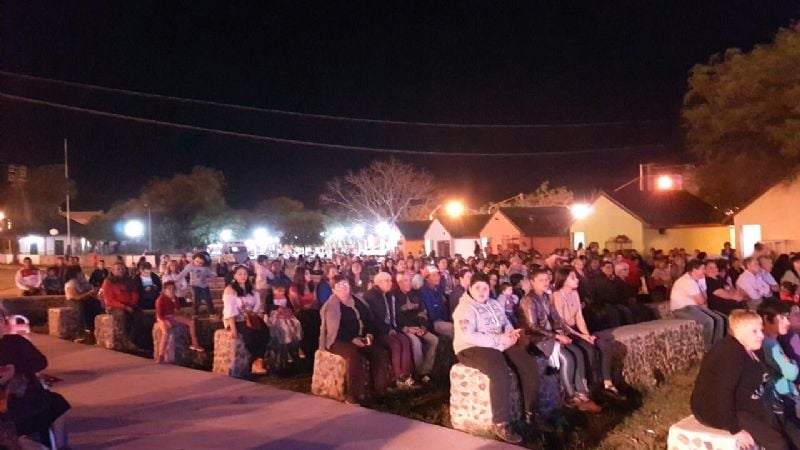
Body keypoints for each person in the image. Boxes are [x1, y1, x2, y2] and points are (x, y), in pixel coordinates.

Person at [453, 273, 545, 443]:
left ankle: (531, 412)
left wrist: (510, 333)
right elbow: (468, 335)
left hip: (499, 343)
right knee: (498, 369)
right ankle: (501, 422)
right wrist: (498, 340)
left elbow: (505, 322)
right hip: (472, 347)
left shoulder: (494, 304)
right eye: (477, 288)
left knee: (528, 363)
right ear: (470, 289)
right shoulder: (465, 308)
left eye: (485, 288)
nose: (481, 291)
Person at [691, 310, 793, 450]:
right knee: (777, 443)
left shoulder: (754, 348)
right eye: (754, 331)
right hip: (716, 409)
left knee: (791, 430)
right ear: (739, 332)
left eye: (761, 330)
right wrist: (735, 429)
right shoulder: (731, 353)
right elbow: (723, 392)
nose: (761, 335)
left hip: (745, 401)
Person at [520, 268, 602, 413]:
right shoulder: (529, 300)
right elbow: (532, 326)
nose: (545, 283)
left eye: (547, 279)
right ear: (532, 282)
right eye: (541, 280)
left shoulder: (545, 297)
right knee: (567, 358)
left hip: (550, 336)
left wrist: (577, 334)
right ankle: (571, 396)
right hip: (537, 340)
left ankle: (582, 393)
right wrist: (556, 336)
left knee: (577, 352)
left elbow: (558, 319)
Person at [0, 309, 70, 447]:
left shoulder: (16, 341)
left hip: (26, 396)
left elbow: (41, 362)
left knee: (57, 404)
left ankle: (62, 446)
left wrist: (16, 369)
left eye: (0, 320)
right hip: (6, 405)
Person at [319, 275, 390, 405]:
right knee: (354, 356)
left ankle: (378, 390)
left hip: (361, 338)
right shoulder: (332, 306)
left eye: (346, 285)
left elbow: (369, 320)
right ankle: (352, 395)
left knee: (379, 353)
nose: (344, 289)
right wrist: (352, 339)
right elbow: (334, 330)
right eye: (339, 286)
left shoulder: (358, 301)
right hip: (339, 340)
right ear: (334, 290)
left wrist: (369, 334)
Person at [552, 267, 621, 398]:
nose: (577, 280)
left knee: (604, 345)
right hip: (564, 332)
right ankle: (585, 388)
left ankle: (608, 382)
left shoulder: (574, 293)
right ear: (563, 280)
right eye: (573, 277)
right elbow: (562, 324)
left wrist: (587, 335)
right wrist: (581, 336)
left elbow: (579, 318)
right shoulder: (557, 296)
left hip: (576, 331)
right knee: (587, 350)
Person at [758, 299, 800, 447]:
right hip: (783, 397)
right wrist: (792, 364)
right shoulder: (771, 344)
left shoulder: (770, 341)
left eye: (787, 317)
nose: (787, 322)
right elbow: (791, 373)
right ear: (766, 318)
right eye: (782, 317)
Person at [365, 272, 416, 388]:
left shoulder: (389, 295)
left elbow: (395, 314)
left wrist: (397, 327)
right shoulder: (371, 296)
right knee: (396, 344)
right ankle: (399, 377)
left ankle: (407, 375)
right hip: (378, 331)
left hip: (391, 328)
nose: (390, 283)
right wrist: (387, 329)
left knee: (405, 340)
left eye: (390, 280)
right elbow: (373, 319)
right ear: (378, 283)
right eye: (387, 281)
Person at [670, 259, 726, 351]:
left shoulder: (701, 278)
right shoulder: (687, 281)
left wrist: (702, 298)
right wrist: (702, 298)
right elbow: (701, 301)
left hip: (695, 306)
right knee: (709, 321)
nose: (705, 271)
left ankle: (718, 346)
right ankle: (707, 348)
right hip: (682, 309)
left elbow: (703, 298)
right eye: (702, 268)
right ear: (694, 270)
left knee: (720, 319)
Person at [222, 265, 269, 375]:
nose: (243, 276)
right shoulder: (230, 290)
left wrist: (255, 312)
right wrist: (233, 328)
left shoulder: (251, 289)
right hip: (236, 319)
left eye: (245, 274)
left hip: (251, 317)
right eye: (240, 274)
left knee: (265, 330)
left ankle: (259, 360)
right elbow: (230, 310)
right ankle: (256, 360)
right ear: (234, 276)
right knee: (249, 334)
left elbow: (257, 303)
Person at [394, 272, 438, 383]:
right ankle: (418, 374)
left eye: (410, 280)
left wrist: (423, 326)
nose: (409, 283)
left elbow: (422, 312)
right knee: (416, 343)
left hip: (419, 327)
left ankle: (425, 371)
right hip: (405, 328)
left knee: (434, 340)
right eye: (406, 281)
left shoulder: (415, 295)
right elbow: (396, 317)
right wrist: (409, 329)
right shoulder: (394, 297)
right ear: (399, 283)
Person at [155, 281, 204, 363]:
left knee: (191, 322)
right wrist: (166, 321)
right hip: (162, 318)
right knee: (166, 332)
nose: (171, 291)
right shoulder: (160, 299)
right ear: (164, 290)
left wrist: (174, 302)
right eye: (169, 289)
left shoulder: (175, 298)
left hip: (172, 316)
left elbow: (177, 309)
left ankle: (194, 343)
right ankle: (161, 355)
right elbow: (159, 314)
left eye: (173, 289)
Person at [101, 262, 142, 349]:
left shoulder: (129, 280)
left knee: (138, 315)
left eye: (122, 269)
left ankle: (132, 339)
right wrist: (125, 307)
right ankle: (123, 340)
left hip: (129, 305)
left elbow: (135, 293)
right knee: (121, 315)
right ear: (112, 271)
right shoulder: (108, 282)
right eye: (118, 269)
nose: (121, 271)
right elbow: (109, 300)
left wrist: (132, 304)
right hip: (115, 306)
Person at [288, 267, 321, 371]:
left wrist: (310, 305)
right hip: (301, 314)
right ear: (300, 276)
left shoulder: (312, 286)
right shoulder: (294, 288)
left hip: (312, 312)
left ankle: (315, 356)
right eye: (306, 273)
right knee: (306, 332)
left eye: (309, 273)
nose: (309, 275)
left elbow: (315, 300)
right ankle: (308, 358)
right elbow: (296, 305)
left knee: (315, 330)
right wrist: (307, 306)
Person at [64, 265, 103, 343]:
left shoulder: (81, 281)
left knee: (96, 304)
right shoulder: (70, 283)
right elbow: (75, 297)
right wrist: (89, 293)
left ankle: (93, 329)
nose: (82, 273)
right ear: (76, 273)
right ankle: (80, 333)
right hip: (74, 302)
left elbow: (89, 290)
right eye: (80, 272)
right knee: (80, 308)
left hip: (84, 301)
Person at [266, 283, 302, 365]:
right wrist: (277, 308)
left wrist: (288, 310)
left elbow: (291, 307)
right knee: (284, 329)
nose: (280, 293)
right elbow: (267, 308)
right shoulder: (270, 297)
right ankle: (286, 351)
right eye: (278, 291)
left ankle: (298, 346)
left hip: (286, 315)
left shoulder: (286, 297)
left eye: (282, 291)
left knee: (296, 324)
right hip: (275, 316)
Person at [177, 253, 217, 318]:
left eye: (201, 263)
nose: (198, 263)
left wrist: (214, 281)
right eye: (197, 261)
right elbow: (183, 273)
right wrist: (176, 280)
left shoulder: (205, 268)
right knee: (196, 299)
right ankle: (195, 313)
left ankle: (212, 313)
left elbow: (210, 274)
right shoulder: (190, 266)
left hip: (204, 285)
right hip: (194, 285)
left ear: (204, 263)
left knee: (208, 299)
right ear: (193, 259)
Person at [419, 266, 454, 338]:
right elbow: (430, 312)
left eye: (438, 275)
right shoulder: (423, 292)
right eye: (434, 275)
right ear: (427, 278)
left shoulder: (438, 289)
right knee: (453, 329)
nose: (437, 277)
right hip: (432, 323)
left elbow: (443, 307)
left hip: (441, 320)